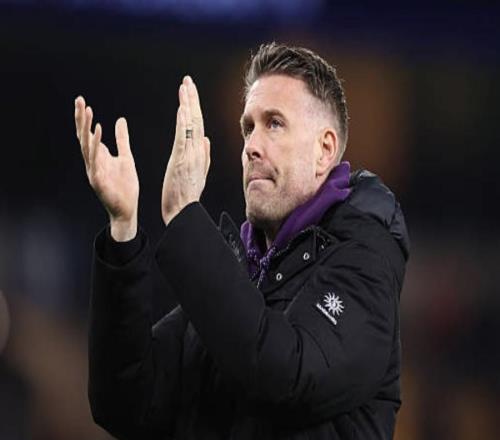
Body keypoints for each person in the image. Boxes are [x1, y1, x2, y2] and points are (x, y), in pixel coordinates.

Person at [75, 42, 409, 440]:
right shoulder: (240, 272)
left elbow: (285, 376)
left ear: (324, 151)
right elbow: (125, 402)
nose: (251, 146)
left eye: (274, 124)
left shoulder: (363, 263)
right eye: (248, 128)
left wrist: (185, 216)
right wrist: (123, 232)